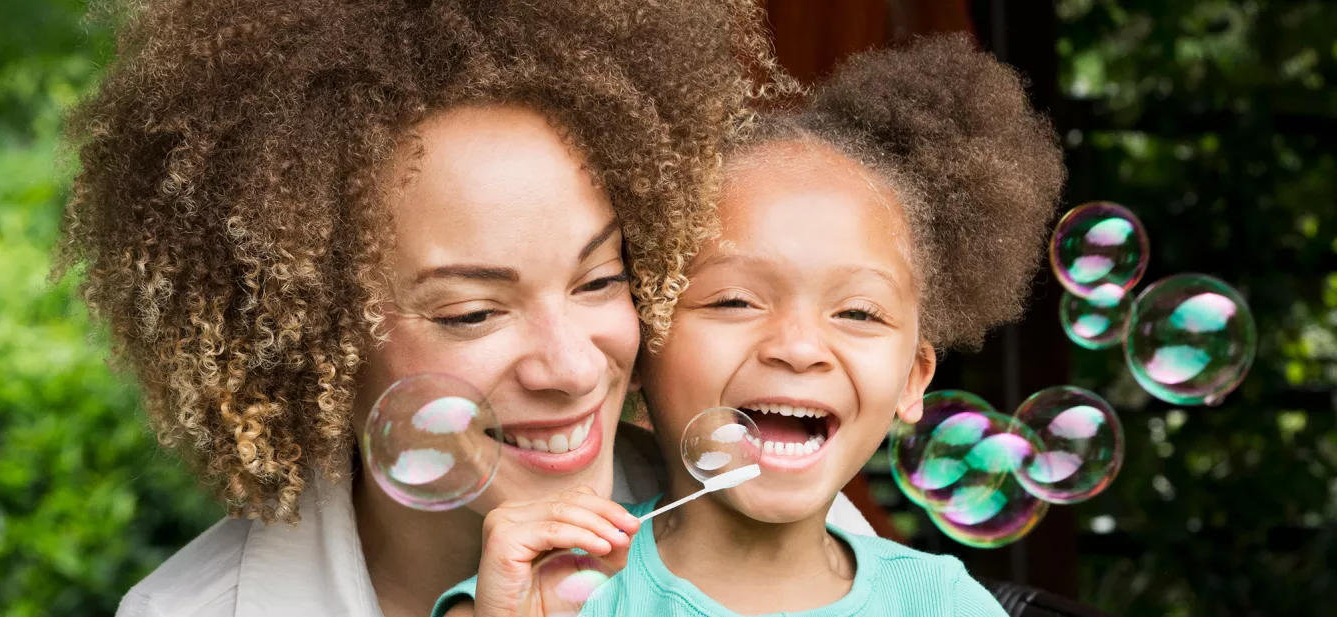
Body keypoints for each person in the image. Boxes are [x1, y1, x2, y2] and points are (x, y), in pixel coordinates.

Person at [55, 1, 873, 615]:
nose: (572, 367)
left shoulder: (794, 540)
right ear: (309, 338)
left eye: (597, 281)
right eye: (473, 313)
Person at [436, 34, 1065, 617]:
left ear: (913, 378)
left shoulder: (947, 605)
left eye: (857, 312)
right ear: (642, 350)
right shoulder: (544, 590)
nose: (797, 348)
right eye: (735, 301)